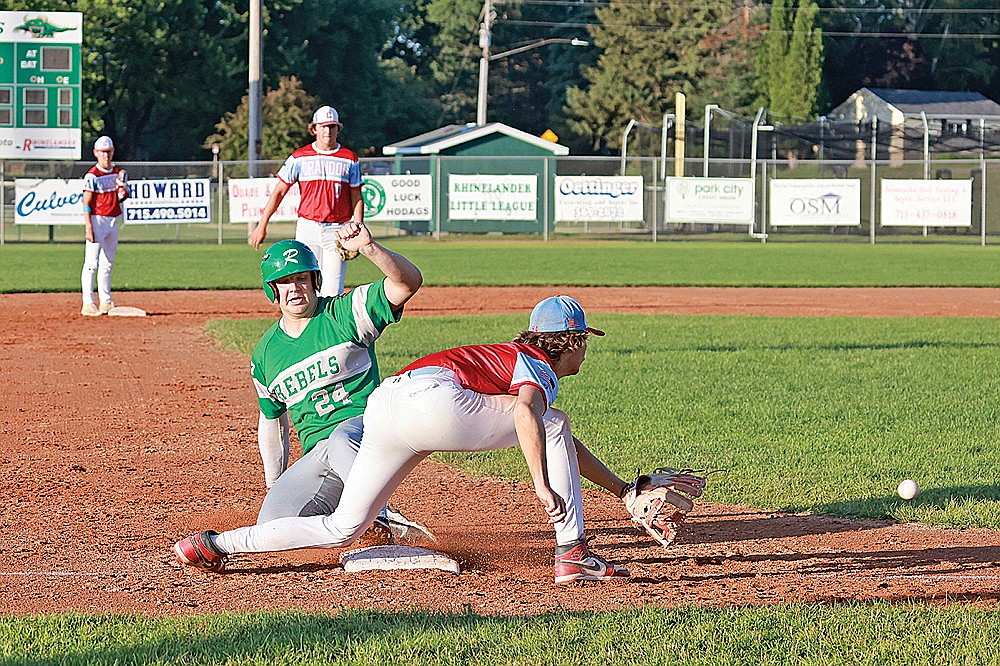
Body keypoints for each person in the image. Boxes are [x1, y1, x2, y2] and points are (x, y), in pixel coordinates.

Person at [175, 296, 636, 584]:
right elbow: (526, 414)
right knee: (551, 420)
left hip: (386, 403)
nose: (585, 349)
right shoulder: (535, 362)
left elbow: (555, 441)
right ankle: (572, 553)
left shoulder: (504, 353)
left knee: (342, 527)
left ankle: (216, 544)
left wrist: (622, 489)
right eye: (583, 340)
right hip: (434, 401)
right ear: (570, 340)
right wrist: (541, 484)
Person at [235, 223, 424, 544]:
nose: (294, 288)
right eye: (284, 282)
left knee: (339, 437)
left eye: (301, 278)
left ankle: (381, 518)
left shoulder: (346, 313)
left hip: (369, 433)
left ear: (315, 281)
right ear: (272, 291)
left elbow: (408, 283)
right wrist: (276, 483)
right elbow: (272, 424)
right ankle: (353, 519)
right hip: (322, 457)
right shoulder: (265, 355)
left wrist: (370, 249)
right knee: (273, 524)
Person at [249, 105, 362, 297]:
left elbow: (357, 196)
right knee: (306, 284)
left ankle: (329, 326)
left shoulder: (349, 158)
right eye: (323, 126)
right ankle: (308, 326)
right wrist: (262, 224)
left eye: (332, 126)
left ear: (338, 129)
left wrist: (357, 227)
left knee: (332, 290)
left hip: (336, 229)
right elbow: (279, 192)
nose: (328, 131)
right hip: (307, 227)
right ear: (314, 129)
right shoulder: (299, 157)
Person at [81, 136, 129, 316]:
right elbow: (86, 202)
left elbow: (119, 197)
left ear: (113, 152)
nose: (106, 156)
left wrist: (123, 192)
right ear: (95, 153)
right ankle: (87, 303)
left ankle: (106, 301)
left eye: (108, 152)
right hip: (97, 219)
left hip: (112, 220)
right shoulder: (92, 175)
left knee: (107, 263)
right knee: (91, 263)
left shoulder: (117, 172)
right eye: (102, 152)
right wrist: (88, 226)